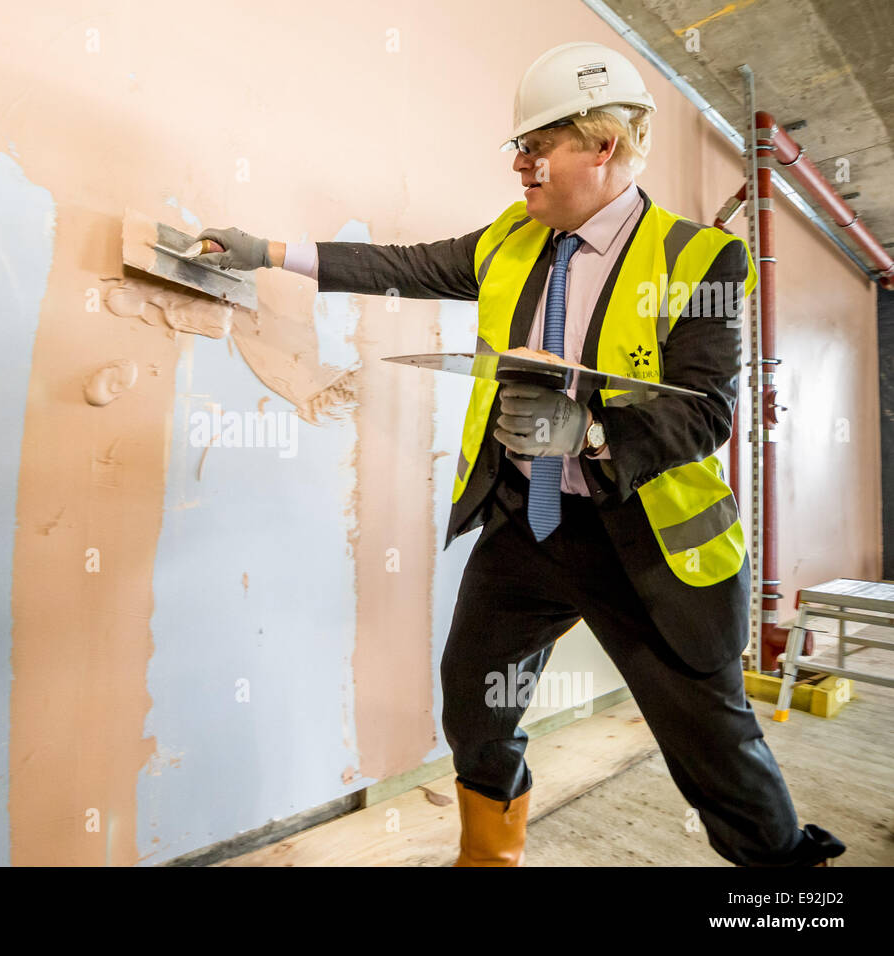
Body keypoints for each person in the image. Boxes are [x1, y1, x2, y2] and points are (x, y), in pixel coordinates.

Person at [192, 40, 845, 867]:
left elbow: (707, 411)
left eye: (538, 149)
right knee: (475, 704)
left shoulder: (703, 257)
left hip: (651, 543)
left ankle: (787, 880)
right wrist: (270, 253)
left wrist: (591, 432)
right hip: (532, 526)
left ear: (603, 146)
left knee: (713, 745)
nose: (521, 168)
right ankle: (489, 857)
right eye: (520, 150)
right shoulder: (513, 237)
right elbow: (409, 266)